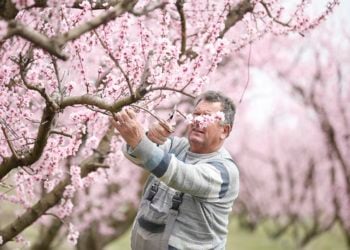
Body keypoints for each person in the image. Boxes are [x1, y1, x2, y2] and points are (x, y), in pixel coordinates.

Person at [113, 91, 239, 250]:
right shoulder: (176, 145)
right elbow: (134, 154)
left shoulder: (225, 171)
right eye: (196, 115)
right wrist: (149, 138)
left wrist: (140, 142)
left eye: (206, 117)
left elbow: (179, 175)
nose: (197, 121)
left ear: (225, 131)